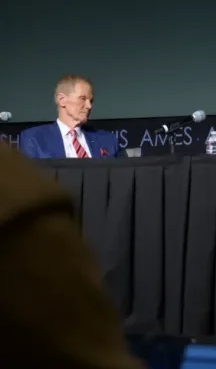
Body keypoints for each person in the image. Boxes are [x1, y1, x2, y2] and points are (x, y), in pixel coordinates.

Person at [0, 143, 141, 368]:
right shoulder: (18, 193)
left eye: (90, 103)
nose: (87, 105)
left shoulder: (104, 140)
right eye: (83, 102)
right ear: (61, 104)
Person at [19, 75, 120, 159]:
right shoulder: (34, 138)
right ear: (62, 100)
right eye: (82, 98)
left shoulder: (108, 140)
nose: (89, 106)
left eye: (91, 101)